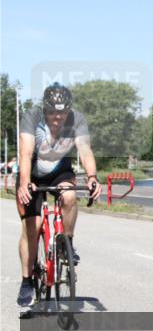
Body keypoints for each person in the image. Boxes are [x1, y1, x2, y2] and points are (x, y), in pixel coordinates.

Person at [16, 83, 101, 309]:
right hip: (32, 172)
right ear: (44, 109)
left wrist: (92, 177)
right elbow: (25, 154)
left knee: (70, 197)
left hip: (60, 171)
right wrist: (25, 183)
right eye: (52, 112)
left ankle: (68, 244)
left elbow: (85, 151)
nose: (57, 117)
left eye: (62, 112)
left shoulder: (77, 120)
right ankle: (26, 282)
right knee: (31, 227)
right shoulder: (32, 118)